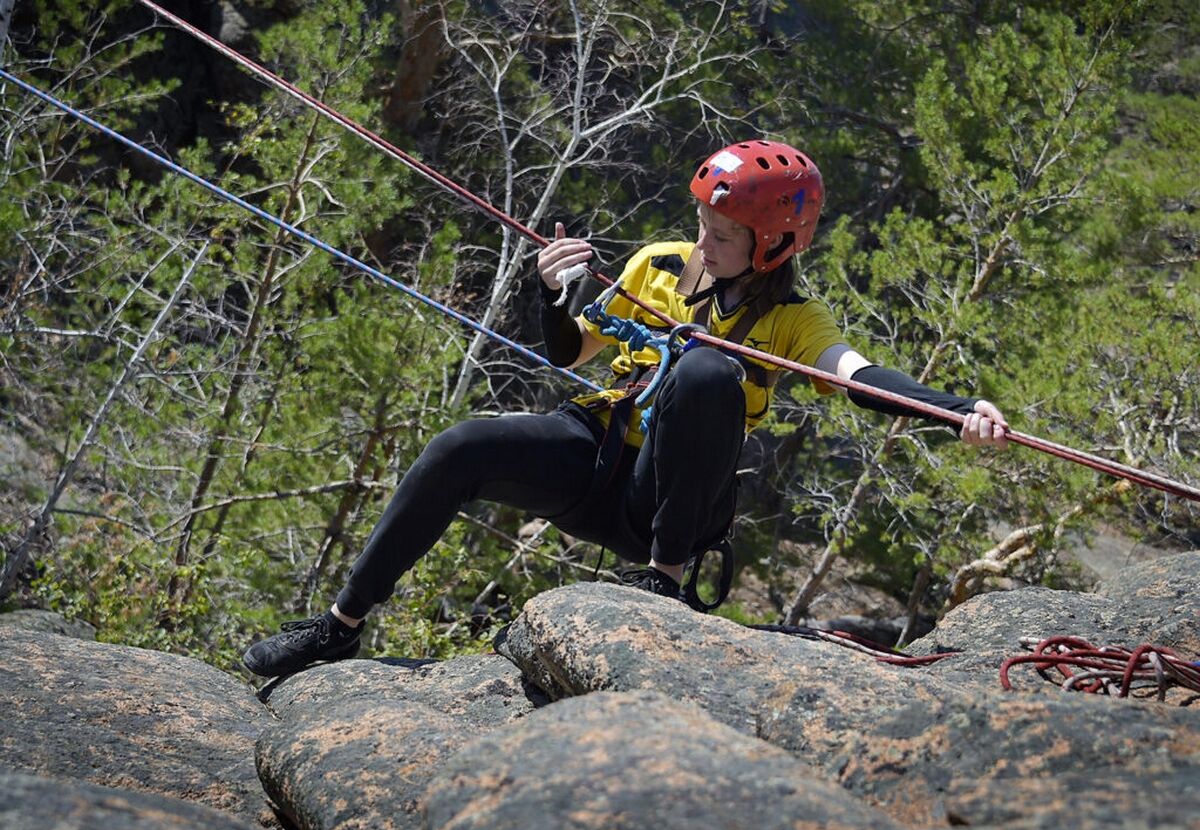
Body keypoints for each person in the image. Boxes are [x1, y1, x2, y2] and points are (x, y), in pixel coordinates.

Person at [243, 138, 1007, 679]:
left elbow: (862, 375)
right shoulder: (660, 265)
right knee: (460, 449)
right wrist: (547, 291)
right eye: (703, 222)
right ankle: (337, 626)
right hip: (602, 454)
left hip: (667, 504)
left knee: (709, 370)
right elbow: (568, 351)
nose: (701, 242)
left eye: (722, 234)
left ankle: (663, 579)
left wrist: (957, 408)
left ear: (773, 245)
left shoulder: (795, 324)